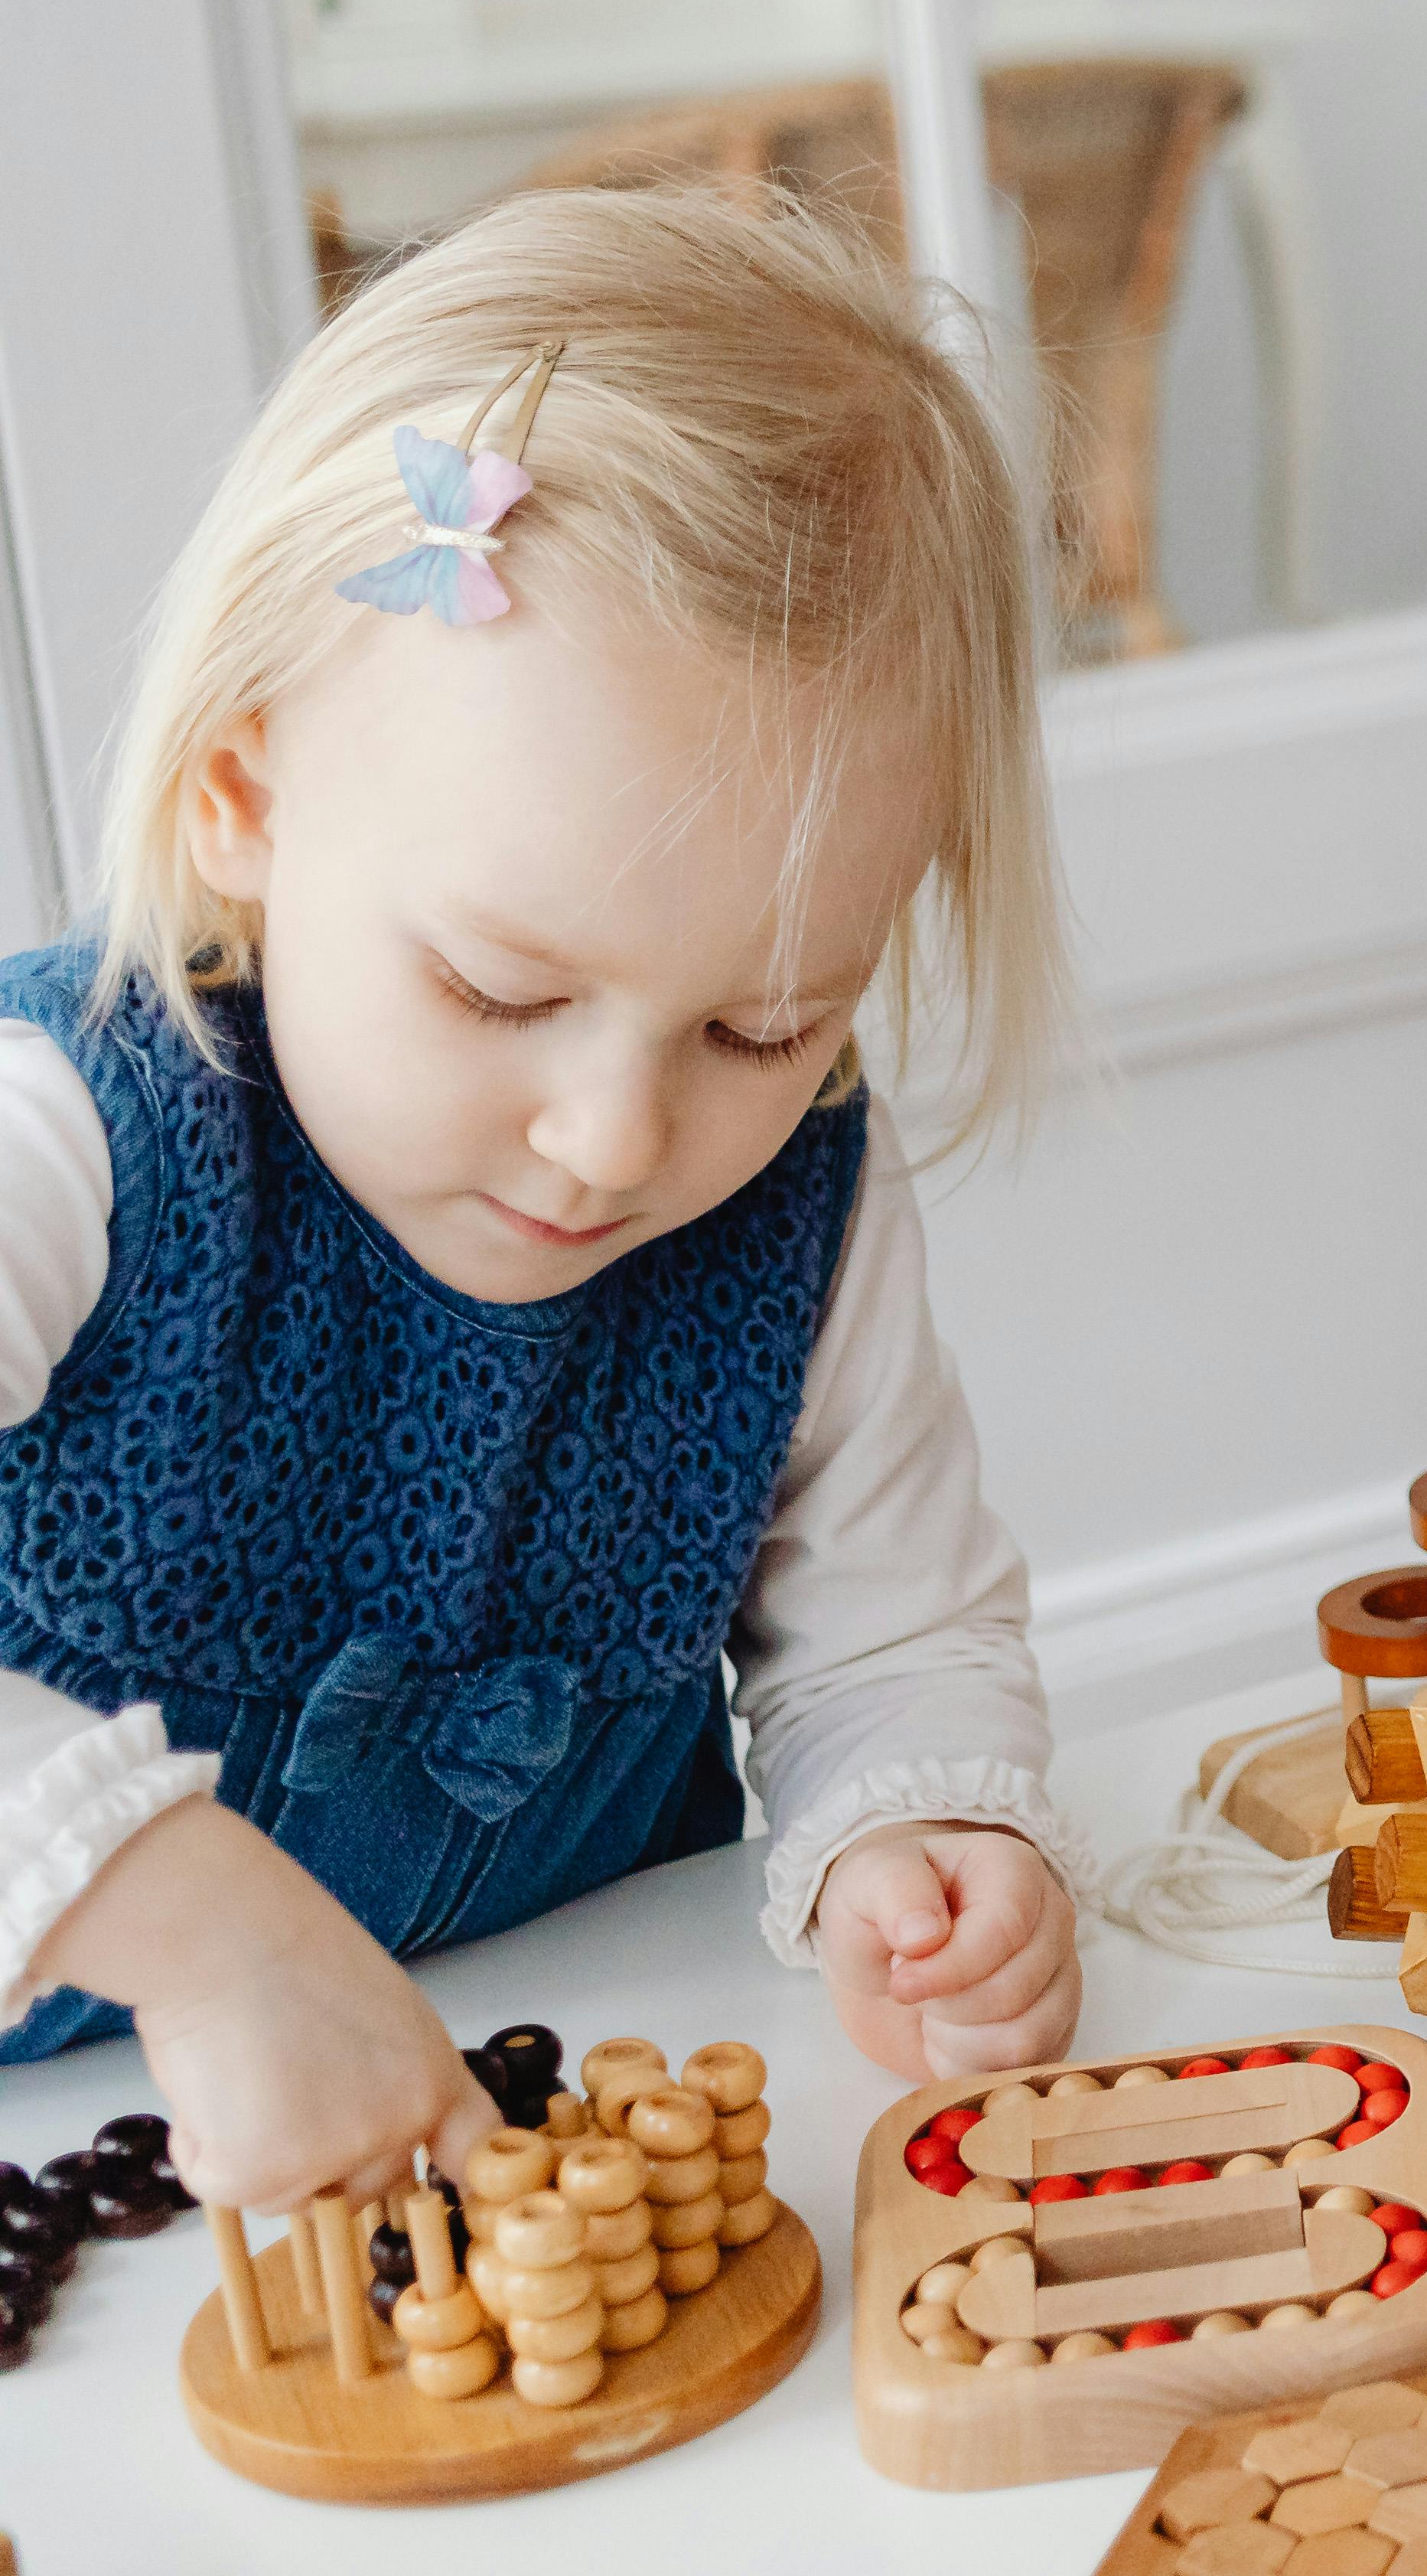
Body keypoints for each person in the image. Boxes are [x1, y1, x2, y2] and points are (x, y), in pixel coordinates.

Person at [0, 184, 1096, 2219]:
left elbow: (891, 1636)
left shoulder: (799, 1216)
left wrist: (914, 1841)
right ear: (242, 797)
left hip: (569, 2134)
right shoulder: (69, 1125)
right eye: (499, 990)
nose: (614, 1139)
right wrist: (191, 1924)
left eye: (763, 1029)